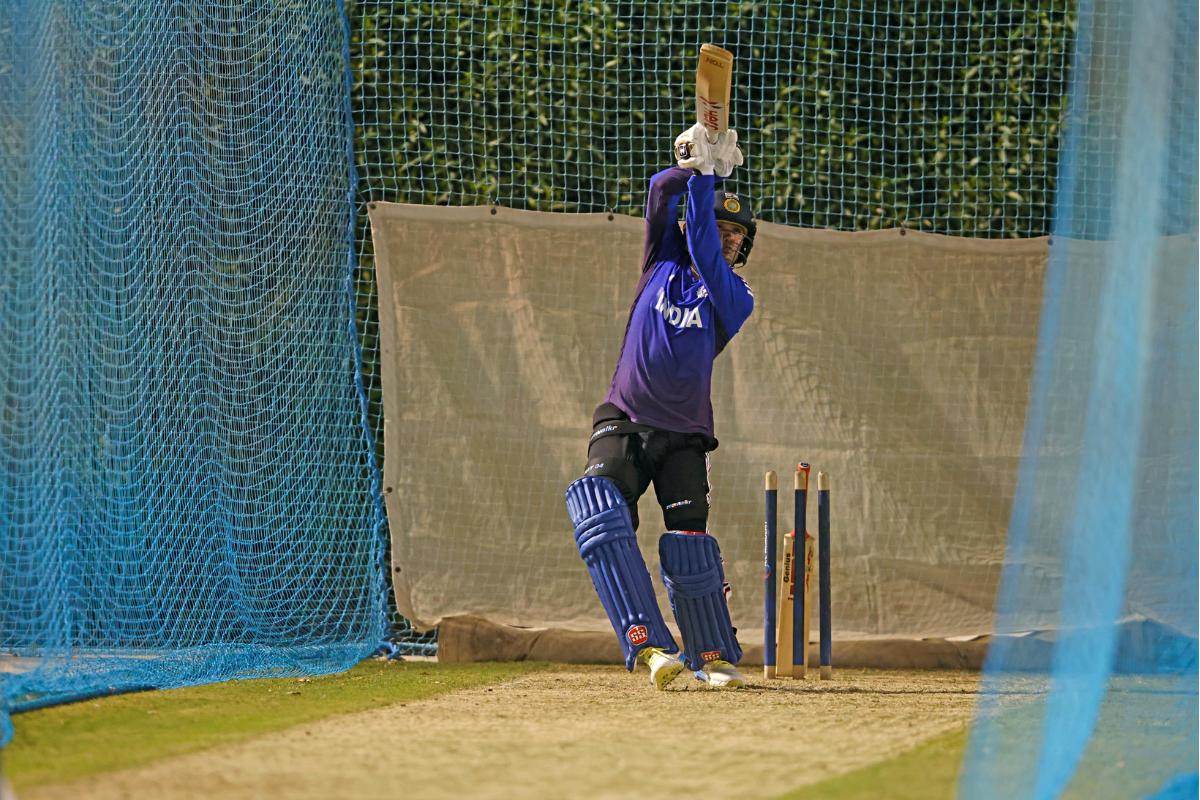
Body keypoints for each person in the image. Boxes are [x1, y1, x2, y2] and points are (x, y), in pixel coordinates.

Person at [564, 123, 757, 690]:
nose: (726, 240)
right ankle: (648, 646)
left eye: (736, 236)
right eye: (721, 229)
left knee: (689, 541)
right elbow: (657, 193)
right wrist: (687, 166)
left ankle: (712, 655)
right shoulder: (659, 263)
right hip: (624, 418)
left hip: (685, 435)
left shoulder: (736, 297)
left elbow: (702, 246)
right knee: (599, 513)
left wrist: (709, 182)